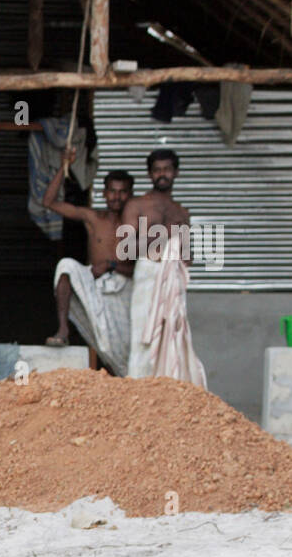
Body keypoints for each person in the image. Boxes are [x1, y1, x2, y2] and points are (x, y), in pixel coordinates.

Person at [42, 145, 135, 375]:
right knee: (66, 266)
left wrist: (111, 265)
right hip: (94, 282)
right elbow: (49, 202)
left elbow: (140, 267)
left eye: (122, 192)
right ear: (104, 193)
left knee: (122, 349)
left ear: (130, 195)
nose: (116, 196)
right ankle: (63, 331)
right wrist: (65, 166)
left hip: (124, 288)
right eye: (112, 191)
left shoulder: (135, 223)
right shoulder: (92, 217)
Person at [119, 149, 206, 385]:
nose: (162, 174)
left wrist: (183, 248)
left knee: (174, 335)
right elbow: (125, 248)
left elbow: (188, 255)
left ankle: (168, 391)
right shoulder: (137, 205)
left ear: (176, 172)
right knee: (143, 336)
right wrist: (163, 235)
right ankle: (138, 390)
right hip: (148, 272)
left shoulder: (181, 211)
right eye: (157, 170)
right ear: (149, 174)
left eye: (167, 169)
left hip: (173, 278)